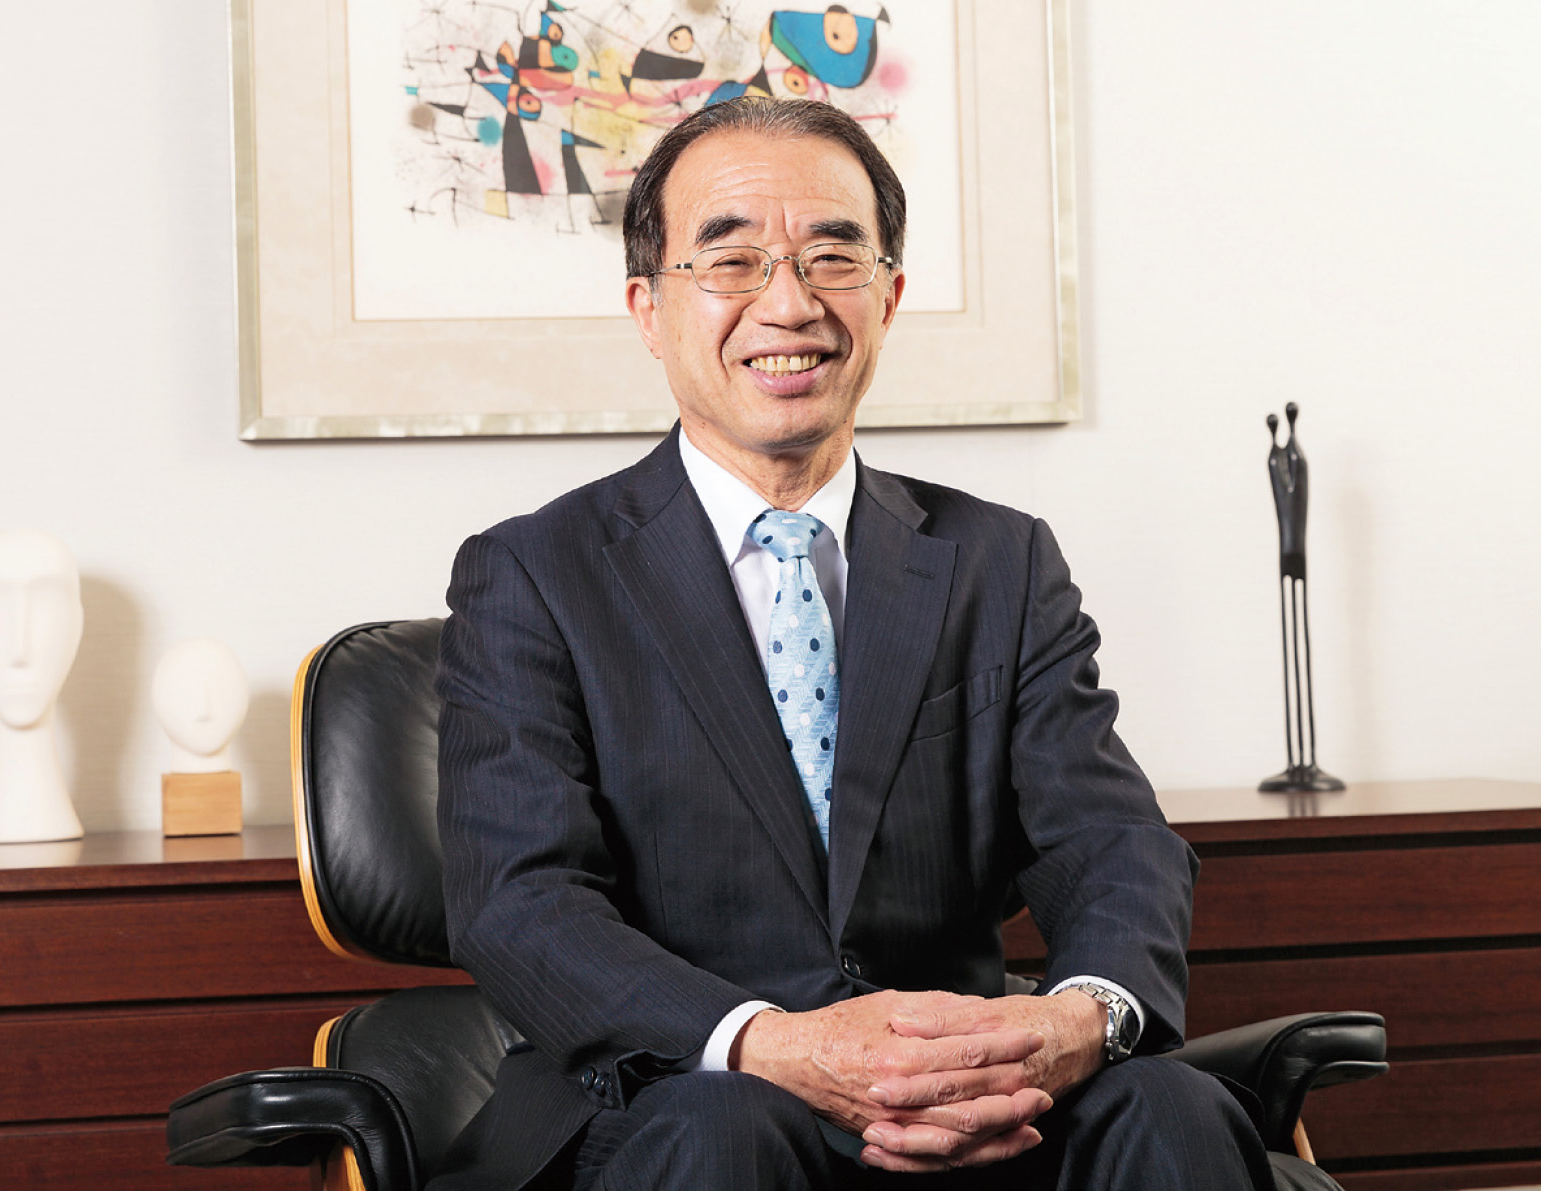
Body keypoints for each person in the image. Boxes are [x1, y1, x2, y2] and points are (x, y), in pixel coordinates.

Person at [431, 97, 1273, 1190]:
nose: (789, 304)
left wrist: (1075, 1021)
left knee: (1172, 1106)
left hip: (960, 1090)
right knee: (729, 1131)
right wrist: (771, 1045)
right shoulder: (535, 574)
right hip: (678, 1098)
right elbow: (520, 901)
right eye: (731, 262)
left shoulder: (999, 562)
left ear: (888, 296)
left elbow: (1110, 840)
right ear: (650, 308)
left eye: (833, 258)